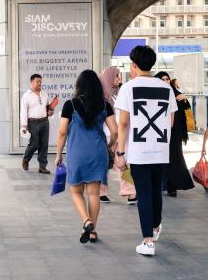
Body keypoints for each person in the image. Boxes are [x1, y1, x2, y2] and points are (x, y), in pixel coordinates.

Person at [115, 46, 178, 256]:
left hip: (139, 151)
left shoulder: (128, 88)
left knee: (144, 194)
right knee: (156, 191)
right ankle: (156, 226)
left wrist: (120, 152)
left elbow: (123, 124)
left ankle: (148, 241)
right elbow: (171, 120)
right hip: (160, 149)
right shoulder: (166, 88)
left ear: (133, 64)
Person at [55, 70, 118, 244]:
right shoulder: (105, 105)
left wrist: (59, 154)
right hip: (98, 153)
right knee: (94, 194)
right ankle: (92, 231)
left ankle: (86, 221)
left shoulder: (70, 105)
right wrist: (110, 145)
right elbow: (115, 131)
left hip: (77, 153)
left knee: (76, 191)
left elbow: (62, 132)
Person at [99, 66, 137, 205]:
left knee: (122, 164)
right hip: (106, 135)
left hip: (119, 135)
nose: (119, 79)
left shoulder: (120, 93)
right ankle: (101, 192)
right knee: (104, 165)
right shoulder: (101, 97)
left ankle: (130, 192)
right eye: (116, 76)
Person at [155, 72, 194, 197]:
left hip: (175, 131)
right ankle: (161, 184)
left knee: (175, 157)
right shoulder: (155, 94)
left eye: (167, 79)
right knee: (159, 158)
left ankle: (173, 186)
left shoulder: (175, 93)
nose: (166, 81)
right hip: (158, 131)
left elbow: (186, 108)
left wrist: (184, 99)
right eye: (162, 79)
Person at [20, 74, 54, 174]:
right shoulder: (26, 96)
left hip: (44, 121)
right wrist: (24, 126)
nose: (39, 83)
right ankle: (26, 159)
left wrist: (50, 112)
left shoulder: (44, 94)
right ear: (32, 82)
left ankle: (42, 166)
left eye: (40, 82)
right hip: (32, 123)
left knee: (44, 144)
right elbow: (23, 112)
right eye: (37, 81)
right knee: (34, 144)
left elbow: (47, 108)